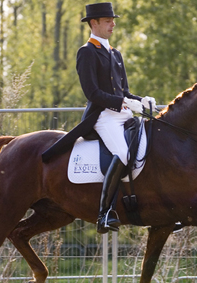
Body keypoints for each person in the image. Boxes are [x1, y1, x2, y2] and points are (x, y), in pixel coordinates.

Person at [42, 2, 156, 234]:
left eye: (112, 20)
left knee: (152, 145)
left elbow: (123, 91)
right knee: (123, 153)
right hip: (103, 117)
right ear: (94, 24)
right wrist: (123, 102)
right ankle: (104, 213)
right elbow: (92, 93)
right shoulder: (86, 52)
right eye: (108, 21)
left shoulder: (115, 53)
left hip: (123, 114)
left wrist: (141, 100)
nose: (113, 24)